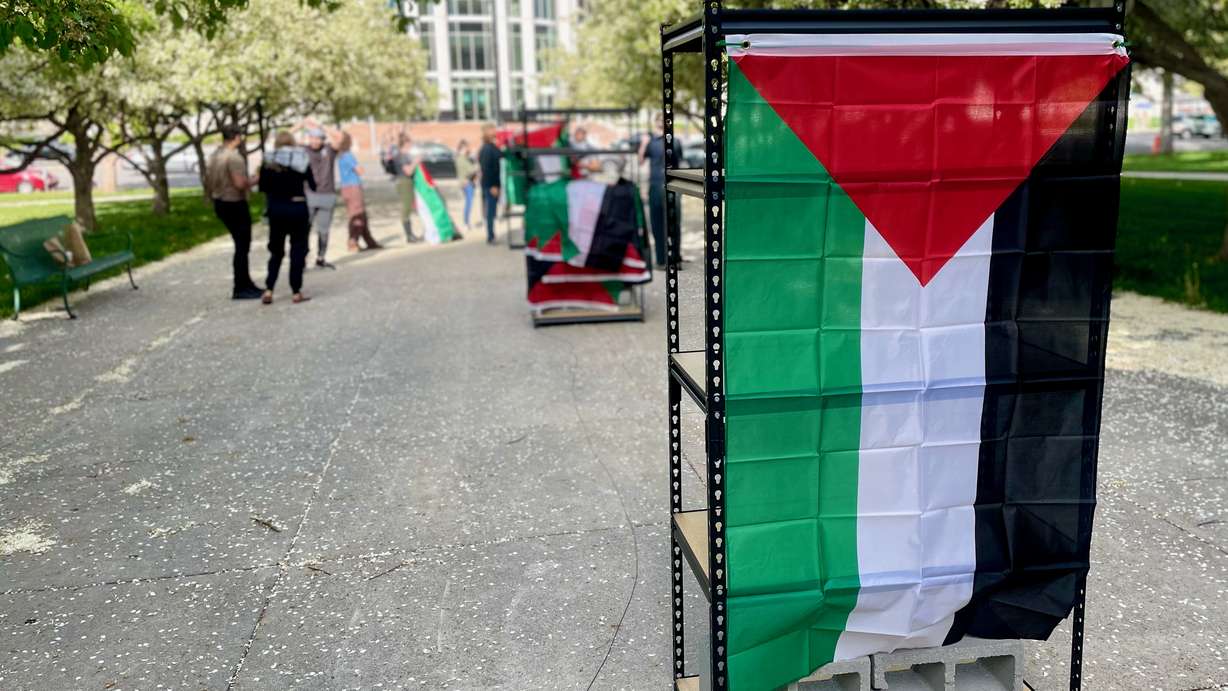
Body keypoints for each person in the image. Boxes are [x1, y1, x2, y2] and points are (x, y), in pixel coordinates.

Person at [259, 131, 316, 304]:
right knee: (297, 250)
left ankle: (269, 289)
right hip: (298, 207)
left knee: (276, 251)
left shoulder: (268, 160)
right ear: (292, 142)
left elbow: (262, 187)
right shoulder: (301, 158)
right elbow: (313, 185)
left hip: (277, 209)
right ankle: (296, 292)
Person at [207, 125, 262, 300]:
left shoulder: (215, 155)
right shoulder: (234, 158)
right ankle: (241, 287)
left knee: (240, 244)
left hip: (219, 201)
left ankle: (246, 282)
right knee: (242, 246)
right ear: (237, 137)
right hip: (234, 203)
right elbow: (240, 184)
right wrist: (257, 179)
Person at [639, 114, 682, 268]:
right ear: (655, 123)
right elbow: (640, 161)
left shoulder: (676, 141)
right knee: (656, 224)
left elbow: (679, 163)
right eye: (659, 121)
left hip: (673, 186)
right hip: (655, 185)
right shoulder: (650, 142)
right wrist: (644, 143)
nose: (662, 123)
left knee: (673, 222)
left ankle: (675, 259)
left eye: (665, 121)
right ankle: (661, 260)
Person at [337, 132, 383, 252]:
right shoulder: (348, 155)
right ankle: (353, 242)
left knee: (361, 215)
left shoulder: (341, 155)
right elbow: (360, 170)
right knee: (357, 215)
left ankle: (369, 241)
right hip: (353, 187)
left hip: (346, 187)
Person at [303, 125, 339, 270]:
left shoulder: (329, 149)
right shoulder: (303, 150)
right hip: (309, 195)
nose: (314, 141)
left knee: (324, 230)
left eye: (318, 138)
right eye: (312, 138)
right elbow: (284, 139)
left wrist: (322, 126)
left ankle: (321, 257)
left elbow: (339, 139)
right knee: (304, 230)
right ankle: (302, 259)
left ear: (323, 139)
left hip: (327, 195)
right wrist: (301, 124)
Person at [394, 132, 422, 243]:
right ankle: (409, 236)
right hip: (404, 182)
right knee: (406, 208)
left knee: (409, 208)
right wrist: (415, 162)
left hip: (406, 182)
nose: (411, 145)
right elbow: (408, 171)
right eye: (410, 143)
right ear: (405, 143)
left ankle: (411, 234)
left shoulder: (404, 155)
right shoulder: (402, 156)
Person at [478, 124, 501, 245]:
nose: (495, 131)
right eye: (492, 129)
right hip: (490, 184)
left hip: (493, 184)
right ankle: (490, 236)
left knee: (492, 211)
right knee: (491, 212)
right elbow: (487, 169)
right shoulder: (487, 148)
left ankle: (491, 235)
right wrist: (493, 186)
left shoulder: (492, 146)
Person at [455, 139, 478, 230]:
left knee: (469, 203)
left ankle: (466, 222)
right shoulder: (462, 159)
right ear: (462, 148)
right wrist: (477, 166)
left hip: (466, 183)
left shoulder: (463, 158)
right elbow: (470, 170)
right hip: (467, 183)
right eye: (466, 147)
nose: (468, 149)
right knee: (469, 203)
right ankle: (466, 222)